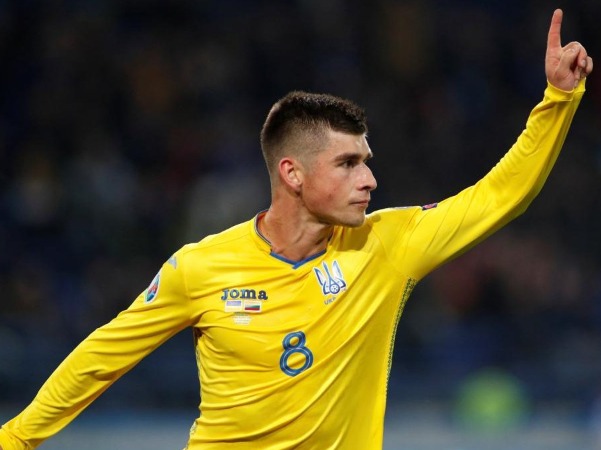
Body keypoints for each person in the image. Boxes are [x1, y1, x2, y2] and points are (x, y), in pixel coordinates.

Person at [0, 8, 593, 450]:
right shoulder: (199, 268)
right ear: (292, 173)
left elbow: (499, 195)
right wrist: (17, 438)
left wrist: (557, 100)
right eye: (348, 164)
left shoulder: (387, 245)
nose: (370, 180)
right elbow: (101, 357)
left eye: (367, 161)